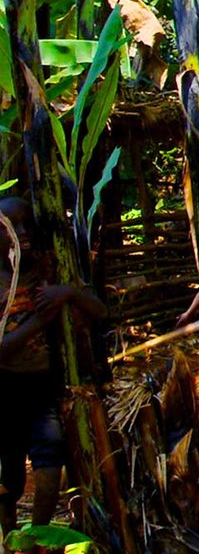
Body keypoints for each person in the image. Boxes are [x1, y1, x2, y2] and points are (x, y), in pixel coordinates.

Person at [0, 197, 106, 548]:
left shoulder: (49, 271)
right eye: (12, 227)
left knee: (48, 470)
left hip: (43, 386)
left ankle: (37, 537)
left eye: (26, 224)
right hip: (6, 388)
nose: (22, 233)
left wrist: (68, 293)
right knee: (9, 480)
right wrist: (39, 321)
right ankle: (10, 538)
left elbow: (100, 311)